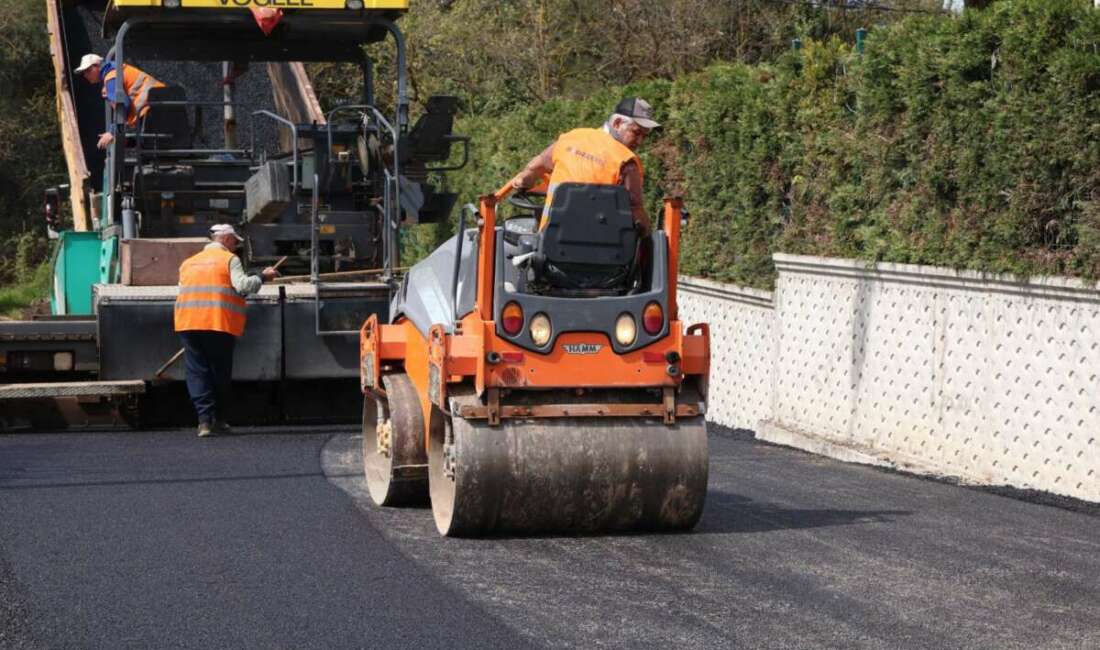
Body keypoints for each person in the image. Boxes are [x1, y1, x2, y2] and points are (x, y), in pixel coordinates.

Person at [174, 224, 279, 437]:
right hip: (217, 322)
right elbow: (242, 287)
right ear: (225, 239)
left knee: (197, 372)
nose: (235, 246)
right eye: (234, 241)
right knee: (218, 372)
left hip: (188, 323)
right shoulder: (229, 260)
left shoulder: (188, 263)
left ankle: (204, 422)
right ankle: (220, 420)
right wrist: (263, 277)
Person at [510, 97, 660, 236]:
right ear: (617, 123)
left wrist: (525, 179)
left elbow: (539, 164)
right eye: (636, 132)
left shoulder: (571, 138)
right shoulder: (626, 162)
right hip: (605, 254)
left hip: (551, 245)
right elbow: (636, 213)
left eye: (644, 136)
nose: (640, 141)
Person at [73, 53, 166, 150]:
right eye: (83, 73)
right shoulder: (115, 71)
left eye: (87, 71)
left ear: (97, 67)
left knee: (149, 147)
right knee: (146, 144)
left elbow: (123, 105)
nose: (85, 75)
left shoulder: (111, 77)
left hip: (153, 108)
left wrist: (112, 132)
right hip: (161, 103)